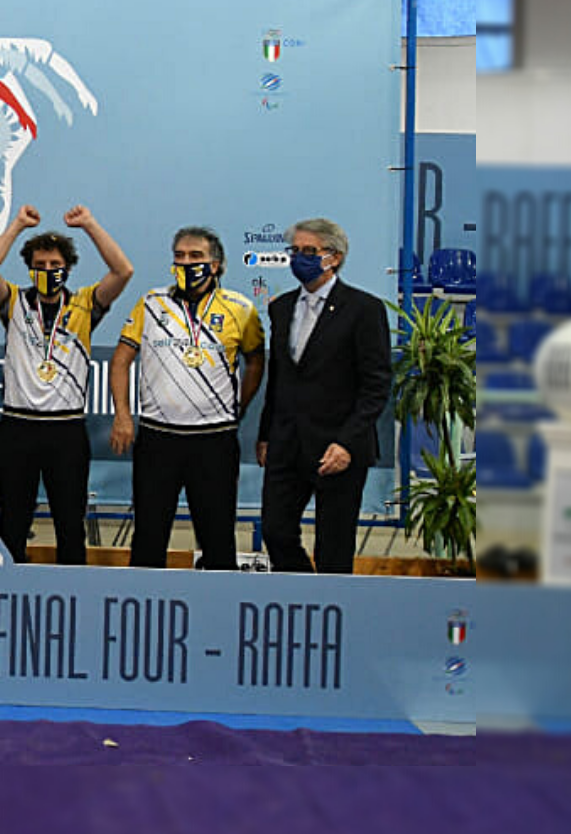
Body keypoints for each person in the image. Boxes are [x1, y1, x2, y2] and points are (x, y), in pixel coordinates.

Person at [0, 203, 134, 563]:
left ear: (68, 268)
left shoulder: (83, 304)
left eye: (55, 266)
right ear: (30, 269)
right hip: (18, 426)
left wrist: (90, 224)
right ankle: (8, 593)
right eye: (40, 265)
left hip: (66, 429)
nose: (48, 271)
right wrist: (17, 225)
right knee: (13, 524)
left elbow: (123, 270)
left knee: (69, 524)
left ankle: (72, 598)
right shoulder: (13, 301)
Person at [110, 226, 264, 570]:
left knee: (217, 538)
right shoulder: (152, 302)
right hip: (157, 438)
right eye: (179, 256)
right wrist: (122, 414)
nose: (186, 262)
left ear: (217, 264)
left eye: (196, 256)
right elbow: (121, 359)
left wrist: (240, 405)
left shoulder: (241, 308)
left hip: (214, 440)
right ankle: (142, 613)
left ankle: (217, 612)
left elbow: (256, 360)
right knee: (149, 536)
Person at [257, 218, 391, 574]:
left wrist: (348, 442)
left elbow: (376, 385)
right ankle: (301, 595)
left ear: (334, 257)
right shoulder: (281, 308)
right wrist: (267, 434)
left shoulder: (364, 309)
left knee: (333, 547)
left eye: (309, 251)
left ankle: (331, 615)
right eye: (295, 251)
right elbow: (280, 377)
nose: (299, 258)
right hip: (287, 443)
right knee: (275, 530)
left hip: (338, 446)